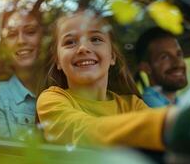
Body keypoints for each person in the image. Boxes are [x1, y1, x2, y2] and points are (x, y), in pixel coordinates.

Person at [37, 9, 177, 151]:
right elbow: (83, 132)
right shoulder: (51, 100)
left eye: (96, 39)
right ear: (58, 61)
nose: (83, 48)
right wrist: (165, 122)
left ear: (112, 57)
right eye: (70, 42)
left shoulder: (132, 104)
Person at [0, 0, 45, 138]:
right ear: (4, 45)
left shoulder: (63, 85)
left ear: (42, 37)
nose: (21, 41)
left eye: (30, 32)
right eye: (11, 35)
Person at [135, 28, 188, 107]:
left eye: (179, 54)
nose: (177, 63)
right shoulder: (146, 105)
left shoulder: (178, 103)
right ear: (146, 67)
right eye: (165, 57)